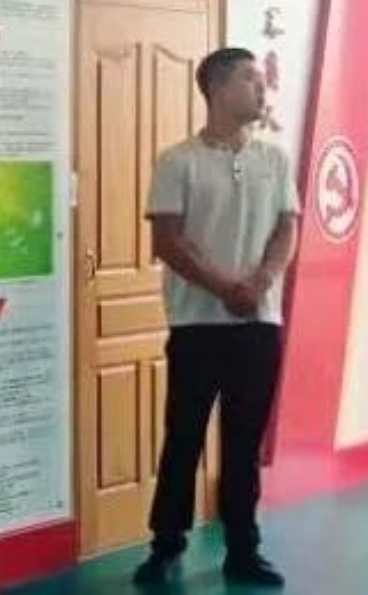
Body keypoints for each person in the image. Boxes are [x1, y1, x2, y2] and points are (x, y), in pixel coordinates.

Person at [133, 47, 299, 588]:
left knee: (244, 443)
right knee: (183, 437)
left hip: (259, 325)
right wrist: (224, 288)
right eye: (250, 79)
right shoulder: (177, 160)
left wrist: (260, 282)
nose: (261, 88)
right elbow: (167, 240)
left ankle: (244, 549)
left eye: (261, 79)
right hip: (197, 326)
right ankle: (166, 544)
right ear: (217, 89)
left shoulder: (274, 159)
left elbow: (286, 228)